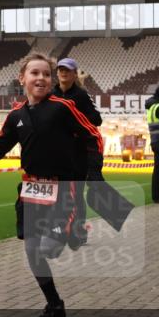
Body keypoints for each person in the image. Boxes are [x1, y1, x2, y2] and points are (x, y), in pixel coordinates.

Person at [0, 53, 103, 317]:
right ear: (21, 78)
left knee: (50, 246)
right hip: (32, 188)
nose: (42, 78)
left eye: (46, 74)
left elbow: (93, 135)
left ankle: (69, 230)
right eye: (35, 73)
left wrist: (94, 171)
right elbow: (2, 142)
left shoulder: (63, 107)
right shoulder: (16, 116)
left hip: (64, 187)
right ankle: (54, 303)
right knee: (33, 251)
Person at [52, 58, 102, 244]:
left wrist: (75, 122)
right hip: (57, 153)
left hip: (78, 153)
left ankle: (77, 232)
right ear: (57, 73)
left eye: (68, 70)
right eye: (61, 70)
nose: (63, 73)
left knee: (76, 194)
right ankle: (59, 231)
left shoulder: (81, 95)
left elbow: (97, 120)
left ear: (74, 74)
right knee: (59, 195)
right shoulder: (51, 94)